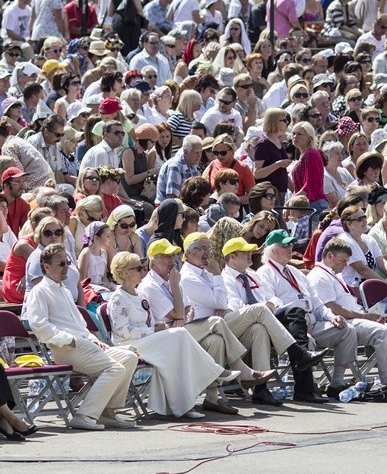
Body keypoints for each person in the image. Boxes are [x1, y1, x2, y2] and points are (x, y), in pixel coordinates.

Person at [107, 251, 242, 418]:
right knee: (179, 334)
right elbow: (123, 331)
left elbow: (148, 322)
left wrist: (156, 326)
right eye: (139, 268)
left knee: (179, 351)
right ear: (126, 273)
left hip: (146, 340)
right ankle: (215, 371)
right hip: (129, 344)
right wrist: (154, 329)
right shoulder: (118, 298)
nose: (143, 271)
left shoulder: (139, 295)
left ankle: (184, 405)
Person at [26, 243, 139, 430]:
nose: (66, 267)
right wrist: (68, 339)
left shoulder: (64, 290)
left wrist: (93, 339)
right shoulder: (40, 291)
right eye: (61, 263)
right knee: (115, 369)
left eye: (68, 262)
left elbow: (80, 325)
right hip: (64, 348)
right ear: (46, 267)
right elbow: (38, 325)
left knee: (128, 358)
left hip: (81, 344)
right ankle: (85, 414)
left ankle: (107, 411)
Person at [308, 238, 387, 400]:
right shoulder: (319, 276)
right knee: (383, 332)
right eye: (342, 260)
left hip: (354, 319)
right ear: (329, 256)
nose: (345, 264)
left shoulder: (335, 275)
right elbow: (333, 308)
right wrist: (366, 316)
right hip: (340, 322)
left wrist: (371, 316)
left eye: (347, 261)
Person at [220, 237, 329, 406]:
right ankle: (298, 353)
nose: (250, 255)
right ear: (232, 257)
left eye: (250, 251)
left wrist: (272, 304)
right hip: (232, 325)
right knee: (260, 310)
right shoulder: (225, 278)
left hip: (258, 323)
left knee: (287, 315)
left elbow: (272, 298)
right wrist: (265, 307)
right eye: (245, 252)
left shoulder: (253, 275)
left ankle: (261, 389)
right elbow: (235, 307)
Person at [257, 229, 357, 403]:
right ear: (272, 250)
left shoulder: (295, 272)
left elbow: (316, 302)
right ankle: (305, 389)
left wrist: (330, 315)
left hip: (309, 320)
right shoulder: (265, 272)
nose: (290, 249)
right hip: (284, 323)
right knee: (300, 330)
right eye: (285, 245)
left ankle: (337, 382)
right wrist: (298, 314)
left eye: (291, 245)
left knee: (347, 330)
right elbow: (270, 304)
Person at [155, 134, 202, 205]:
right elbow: (173, 198)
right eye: (196, 152)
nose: (199, 156)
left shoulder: (192, 165)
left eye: (200, 152)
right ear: (186, 152)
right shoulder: (174, 166)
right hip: (168, 209)